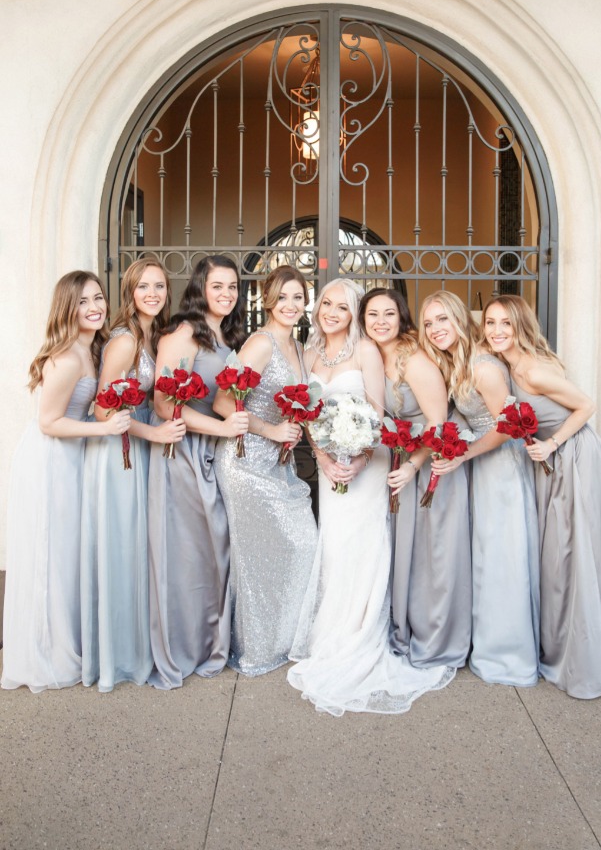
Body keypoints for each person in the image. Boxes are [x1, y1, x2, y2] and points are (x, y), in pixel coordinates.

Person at [287, 278, 454, 715]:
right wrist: (323, 457)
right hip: (329, 465)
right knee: (335, 544)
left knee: (363, 543)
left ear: (352, 314)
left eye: (342, 306)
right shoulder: (308, 354)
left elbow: (377, 414)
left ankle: (360, 631)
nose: (331, 312)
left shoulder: (366, 353)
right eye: (326, 303)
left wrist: (360, 458)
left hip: (370, 460)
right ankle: (333, 630)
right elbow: (306, 414)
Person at [483, 295, 601, 698]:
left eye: (506, 324)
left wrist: (551, 444)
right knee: (559, 556)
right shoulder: (507, 363)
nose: (497, 331)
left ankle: (588, 659)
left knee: (575, 554)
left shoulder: (532, 369)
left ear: (521, 325)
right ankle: (563, 645)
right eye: (490, 323)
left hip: (575, 458)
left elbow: (587, 405)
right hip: (552, 461)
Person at [2, 271, 131, 693]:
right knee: (52, 554)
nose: (94, 307)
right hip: (51, 461)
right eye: (83, 302)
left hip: (74, 455)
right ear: (67, 308)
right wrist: (107, 430)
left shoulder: (91, 348)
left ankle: (69, 640)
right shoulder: (65, 356)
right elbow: (49, 422)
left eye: (98, 298)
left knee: (70, 552)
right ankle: (49, 652)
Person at [421, 290, 540, 687]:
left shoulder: (483, 366)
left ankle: (507, 655)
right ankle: (486, 643)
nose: (436, 329)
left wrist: (464, 454)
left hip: (501, 469)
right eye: (428, 323)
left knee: (501, 558)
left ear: (458, 318)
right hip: (482, 467)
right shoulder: (454, 361)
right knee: (486, 556)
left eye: (443, 319)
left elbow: (509, 427)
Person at [81, 260, 186, 692]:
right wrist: (155, 431)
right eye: (144, 286)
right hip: (116, 453)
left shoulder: (153, 336)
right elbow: (104, 410)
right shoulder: (124, 341)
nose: (153, 293)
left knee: (136, 548)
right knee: (120, 548)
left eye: (160, 286)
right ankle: (117, 659)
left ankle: (136, 647)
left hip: (138, 446)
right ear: (130, 290)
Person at [147, 255, 248, 689]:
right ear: (200, 288)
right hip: (182, 453)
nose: (226, 294)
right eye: (218, 286)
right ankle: (186, 645)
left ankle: (212, 640)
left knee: (214, 551)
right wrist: (222, 427)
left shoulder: (226, 336)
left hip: (212, 450)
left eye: (232, 287)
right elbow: (164, 404)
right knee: (190, 553)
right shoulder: (183, 332)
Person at [214, 265, 318, 676]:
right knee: (260, 557)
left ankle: (286, 638)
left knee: (301, 546)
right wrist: (272, 429)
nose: (291, 305)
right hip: (246, 462)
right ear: (268, 300)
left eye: (298, 297)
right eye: (283, 297)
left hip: (280, 464)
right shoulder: (261, 344)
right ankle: (258, 647)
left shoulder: (297, 345)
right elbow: (225, 403)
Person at [361, 288, 471, 669]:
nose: (380, 322)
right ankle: (401, 624)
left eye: (388, 314)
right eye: (372, 314)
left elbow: (439, 425)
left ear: (401, 317)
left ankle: (435, 633)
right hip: (401, 466)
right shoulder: (374, 356)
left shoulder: (416, 360)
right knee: (404, 550)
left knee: (432, 554)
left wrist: (412, 465)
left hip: (430, 467)